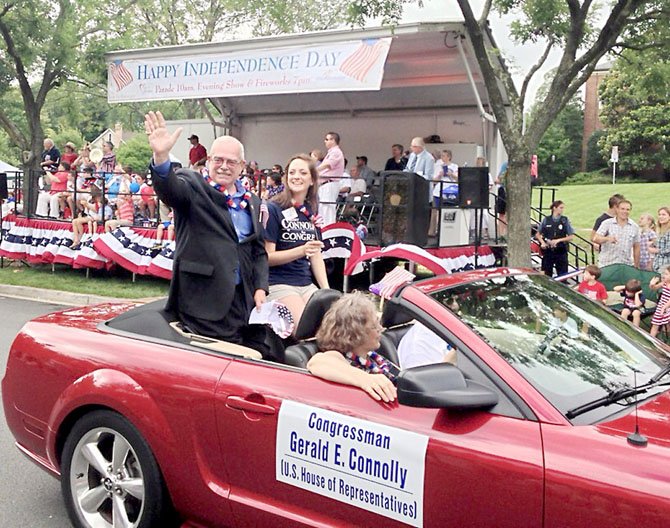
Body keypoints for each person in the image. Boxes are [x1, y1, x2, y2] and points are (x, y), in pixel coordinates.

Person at [145, 111, 270, 356]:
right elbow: (169, 189)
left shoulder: (251, 201)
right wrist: (161, 156)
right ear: (208, 160)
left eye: (231, 162)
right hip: (203, 302)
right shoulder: (192, 186)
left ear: (242, 166)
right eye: (218, 160)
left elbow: (258, 251)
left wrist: (260, 287)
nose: (224, 166)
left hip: (243, 302)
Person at [264, 154, 329, 327]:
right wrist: (301, 250)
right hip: (279, 283)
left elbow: (316, 255)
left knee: (331, 327)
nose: (296, 177)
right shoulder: (273, 208)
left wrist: (327, 291)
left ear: (312, 180)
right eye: (292, 172)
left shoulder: (310, 212)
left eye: (302, 172)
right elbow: (267, 257)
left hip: (306, 284)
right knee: (305, 328)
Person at [307, 293, 398, 402]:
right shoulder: (340, 358)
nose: (381, 328)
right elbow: (317, 362)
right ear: (355, 332)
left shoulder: (375, 359)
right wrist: (365, 378)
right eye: (374, 326)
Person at [593, 199, 640, 268]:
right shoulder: (607, 223)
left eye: (627, 209)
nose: (625, 211)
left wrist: (636, 265)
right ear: (617, 209)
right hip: (607, 264)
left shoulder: (634, 226)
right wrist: (607, 239)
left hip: (625, 265)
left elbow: (637, 246)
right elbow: (595, 238)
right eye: (622, 209)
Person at [536, 200, 575, 277]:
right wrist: (543, 243)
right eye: (560, 208)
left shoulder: (564, 220)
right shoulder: (546, 220)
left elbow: (571, 236)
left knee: (562, 274)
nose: (562, 210)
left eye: (563, 208)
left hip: (561, 250)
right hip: (548, 250)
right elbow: (538, 234)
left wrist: (558, 240)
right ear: (554, 208)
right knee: (546, 273)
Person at [316, 132, 345, 226]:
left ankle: (327, 231)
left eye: (327, 139)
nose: (325, 141)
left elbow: (328, 164)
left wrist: (314, 170)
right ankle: (324, 230)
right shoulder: (332, 152)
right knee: (323, 209)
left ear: (333, 140)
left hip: (329, 183)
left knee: (327, 209)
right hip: (325, 184)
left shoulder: (336, 152)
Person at [649, 268, 670, 338]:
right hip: (661, 306)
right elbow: (654, 288)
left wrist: (664, 307)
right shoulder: (664, 283)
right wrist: (652, 284)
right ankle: (651, 339)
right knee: (655, 324)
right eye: (664, 273)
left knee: (667, 324)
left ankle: (666, 339)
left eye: (666, 274)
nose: (664, 275)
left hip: (668, 307)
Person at [651, 207, 670, 273]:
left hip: (666, 266)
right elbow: (661, 244)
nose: (661, 216)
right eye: (659, 214)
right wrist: (652, 243)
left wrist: (655, 250)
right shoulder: (660, 231)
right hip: (657, 265)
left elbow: (668, 249)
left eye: (663, 214)